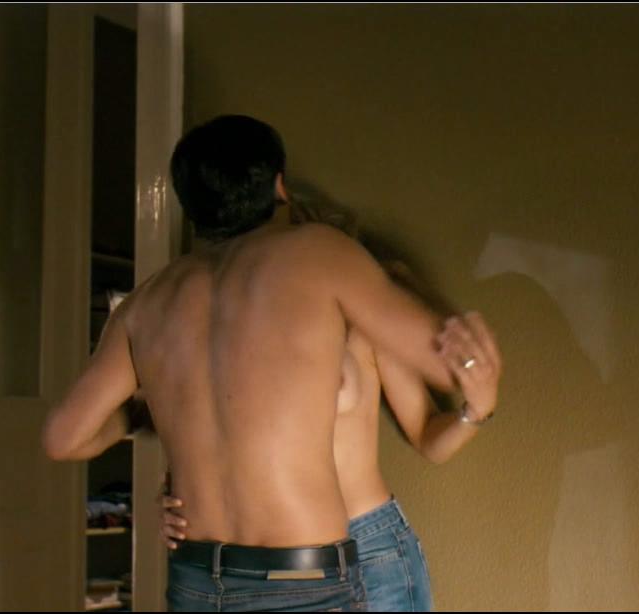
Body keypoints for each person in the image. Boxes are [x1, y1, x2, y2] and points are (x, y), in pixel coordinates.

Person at [42, 115, 475, 611]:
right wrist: (174, 472)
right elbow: (217, 428)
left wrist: (475, 411)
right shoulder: (214, 321)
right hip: (248, 562)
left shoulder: (361, 316)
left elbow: (429, 429)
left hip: (362, 543)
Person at [159, 193, 503, 611]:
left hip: (370, 551)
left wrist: (475, 410)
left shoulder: (366, 327)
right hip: (280, 567)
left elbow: (428, 437)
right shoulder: (240, 340)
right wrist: (175, 497)